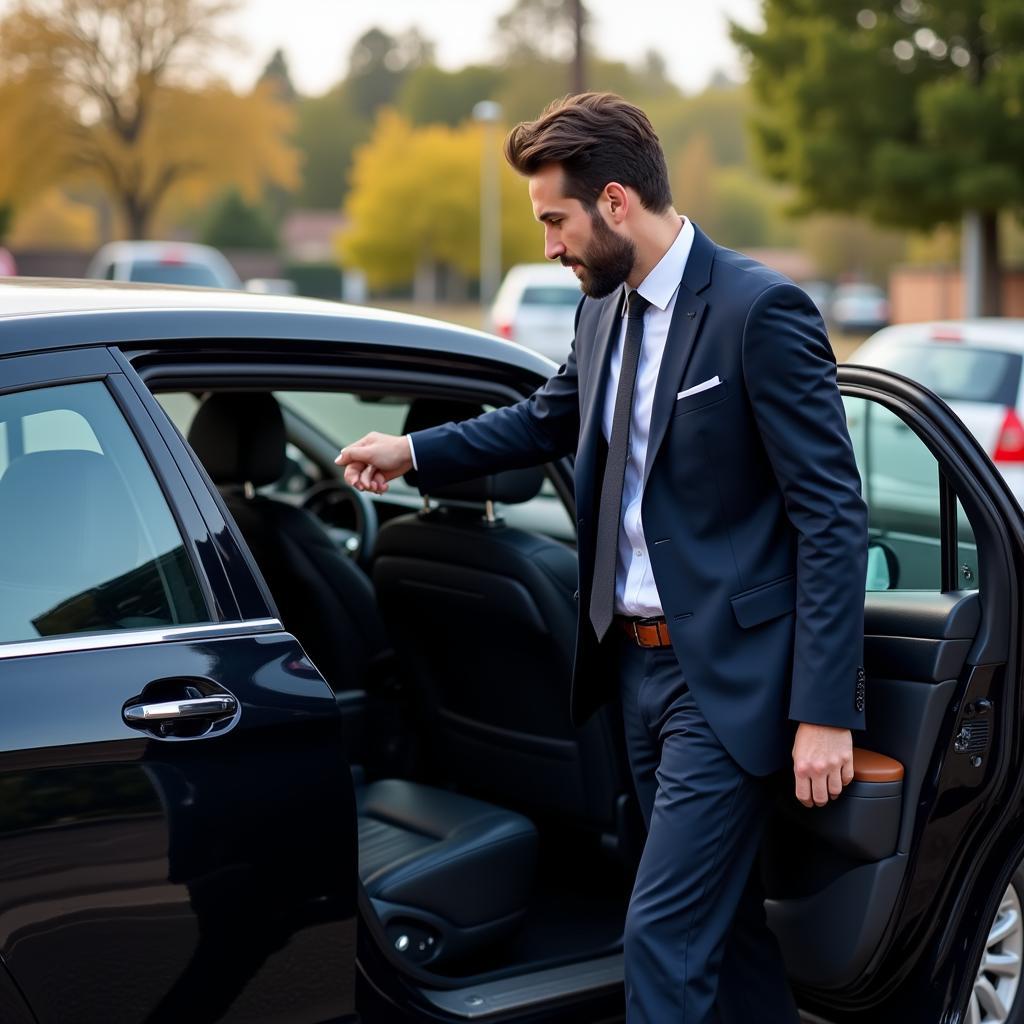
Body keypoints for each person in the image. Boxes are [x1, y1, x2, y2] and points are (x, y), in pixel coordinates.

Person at [336, 92, 867, 1023]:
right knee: (724, 924)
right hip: (632, 672)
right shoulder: (603, 312)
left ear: (615, 202)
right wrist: (413, 451)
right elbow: (544, 417)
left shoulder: (760, 311)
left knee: (660, 937)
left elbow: (831, 515)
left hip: (727, 685)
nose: (548, 246)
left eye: (555, 220)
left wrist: (824, 711)